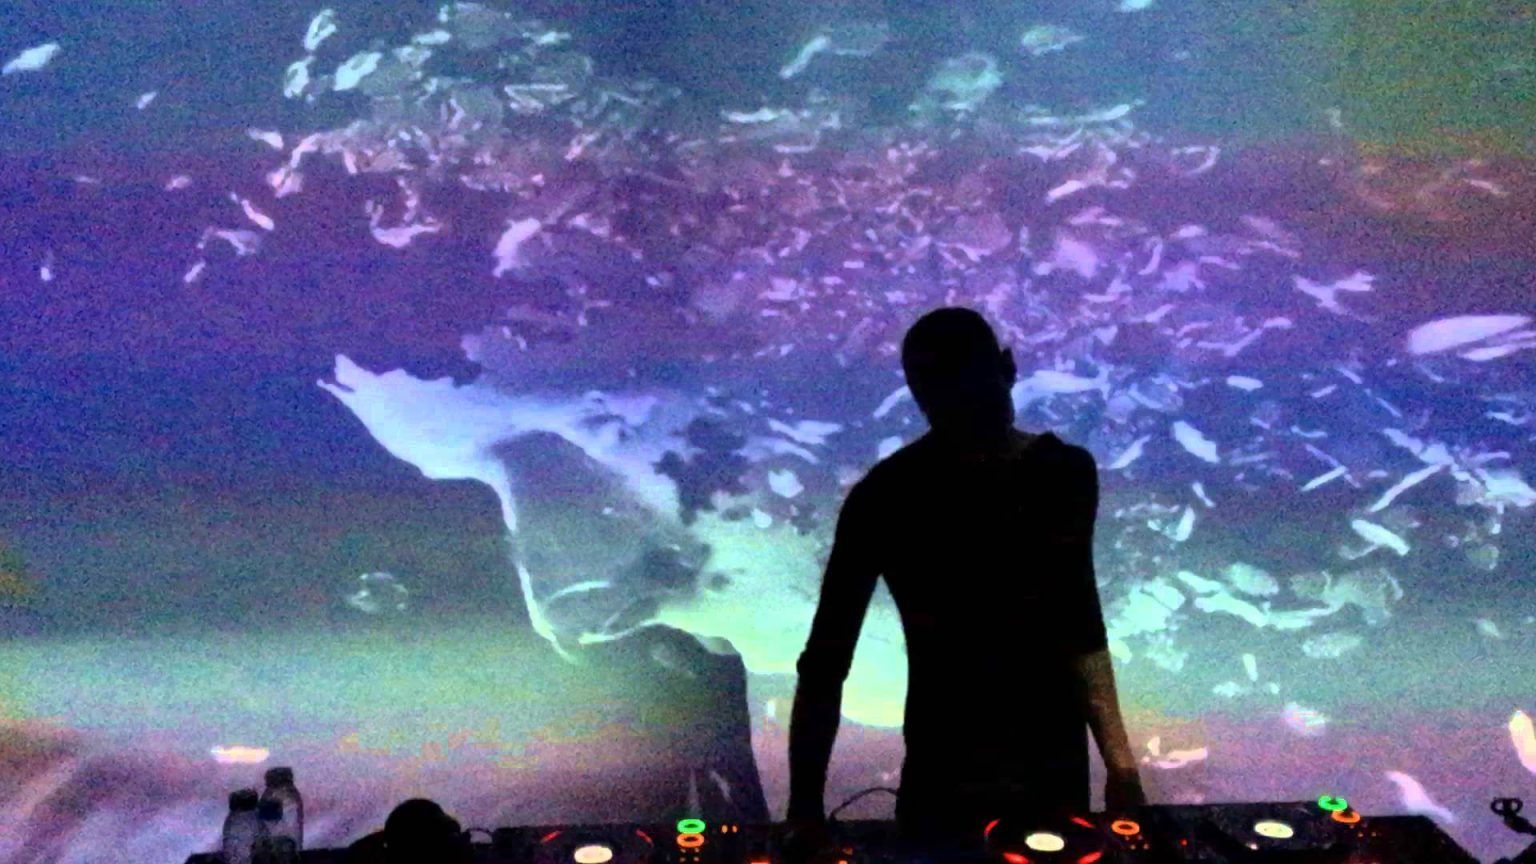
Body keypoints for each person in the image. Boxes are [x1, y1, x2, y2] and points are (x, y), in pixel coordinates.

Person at [784, 307, 1144, 854]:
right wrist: (1121, 768)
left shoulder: (883, 495)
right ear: (1008, 367)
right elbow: (1081, 626)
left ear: (917, 394)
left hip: (942, 773)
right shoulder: (1064, 473)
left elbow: (824, 665)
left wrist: (804, 813)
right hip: (1050, 767)